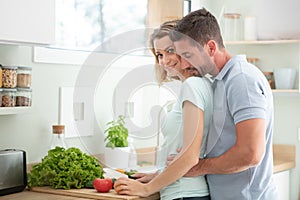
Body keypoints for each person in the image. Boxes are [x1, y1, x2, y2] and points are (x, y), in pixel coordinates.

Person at [168, 8, 278, 200]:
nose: (184, 65)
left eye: (188, 55)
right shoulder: (220, 81)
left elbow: (250, 154)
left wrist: (198, 167)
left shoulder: (241, 80)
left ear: (211, 47)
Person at [114, 20, 213, 200]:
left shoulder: (192, 86)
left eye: (170, 51)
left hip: (185, 193)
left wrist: (146, 189)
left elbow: (191, 156)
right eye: (159, 54)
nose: (164, 60)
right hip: (186, 190)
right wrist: (159, 174)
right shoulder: (200, 85)